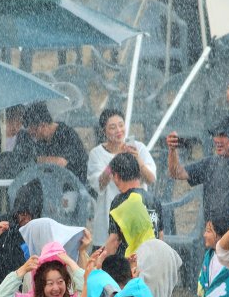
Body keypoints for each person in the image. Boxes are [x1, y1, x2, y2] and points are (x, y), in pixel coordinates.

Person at [166, 73, 229, 226]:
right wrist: (172, 150)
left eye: (222, 135)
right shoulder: (210, 164)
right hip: (214, 238)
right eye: (215, 135)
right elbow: (176, 172)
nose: (216, 140)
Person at [88, 109, 157, 246]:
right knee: (109, 254)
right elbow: (99, 184)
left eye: (121, 125)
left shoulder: (139, 148)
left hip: (136, 214)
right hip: (108, 216)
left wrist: (138, 159)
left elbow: (151, 179)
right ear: (104, 131)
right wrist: (115, 159)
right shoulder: (96, 153)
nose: (118, 130)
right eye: (112, 127)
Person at [105, 152, 163, 256]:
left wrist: (103, 261)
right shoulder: (154, 200)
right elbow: (160, 235)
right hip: (153, 258)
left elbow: (114, 240)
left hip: (130, 262)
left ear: (116, 176)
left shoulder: (119, 202)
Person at [18, 101, 88, 183]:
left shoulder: (66, 134)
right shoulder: (41, 141)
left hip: (75, 183)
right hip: (52, 183)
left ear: (42, 125)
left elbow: (61, 162)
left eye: (33, 129)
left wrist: (36, 160)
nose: (31, 133)